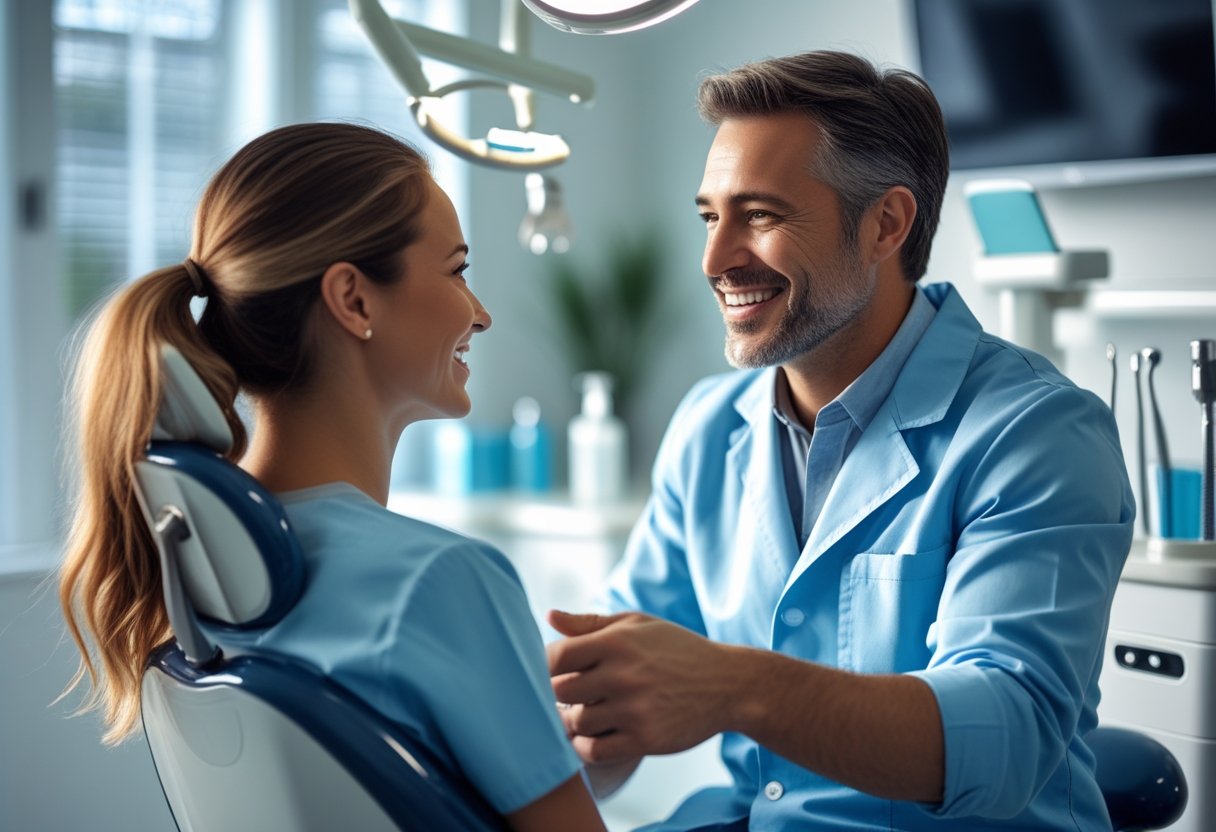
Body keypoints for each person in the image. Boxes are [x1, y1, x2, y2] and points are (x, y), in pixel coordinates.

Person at [546, 51, 1133, 830]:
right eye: (708, 216)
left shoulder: (1038, 432)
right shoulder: (709, 426)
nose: (715, 260)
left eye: (759, 215)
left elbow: (1007, 738)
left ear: (886, 224)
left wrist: (732, 686)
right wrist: (575, 718)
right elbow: (616, 691)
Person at [58, 122, 606, 832]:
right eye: (457, 270)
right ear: (353, 300)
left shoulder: (191, 565)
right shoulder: (439, 580)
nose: (481, 313)